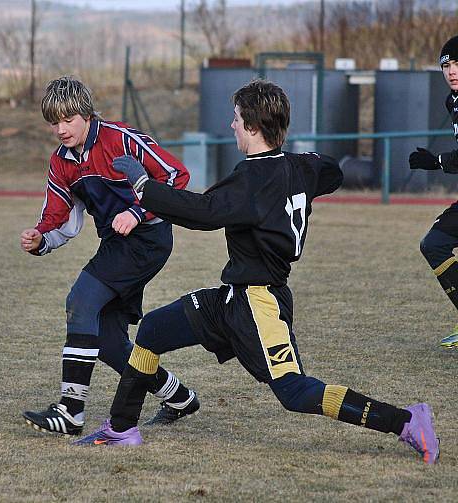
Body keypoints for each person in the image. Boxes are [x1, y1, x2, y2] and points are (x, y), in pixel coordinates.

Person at [75, 79, 439, 465]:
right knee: (151, 331)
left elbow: (202, 212)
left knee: (294, 392)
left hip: (260, 304)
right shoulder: (299, 167)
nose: (231, 126)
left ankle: (405, 421)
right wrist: (302, 172)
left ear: (251, 126)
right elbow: (330, 171)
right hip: (230, 298)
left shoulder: (253, 180)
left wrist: (144, 185)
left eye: (235, 119)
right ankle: (122, 427)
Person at [19, 76, 200, 435]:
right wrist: (40, 237)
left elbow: (176, 176)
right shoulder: (62, 162)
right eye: (54, 122)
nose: (60, 129)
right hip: (115, 245)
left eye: (68, 120)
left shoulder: (120, 139)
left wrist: (137, 211)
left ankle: (70, 411)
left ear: (86, 115)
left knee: (80, 301)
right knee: (107, 341)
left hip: (149, 238)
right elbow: (61, 217)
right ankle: (179, 396)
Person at [410, 35, 458, 348]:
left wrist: (437, 161)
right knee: (435, 243)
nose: (452, 71)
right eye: (447, 65)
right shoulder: (452, 101)